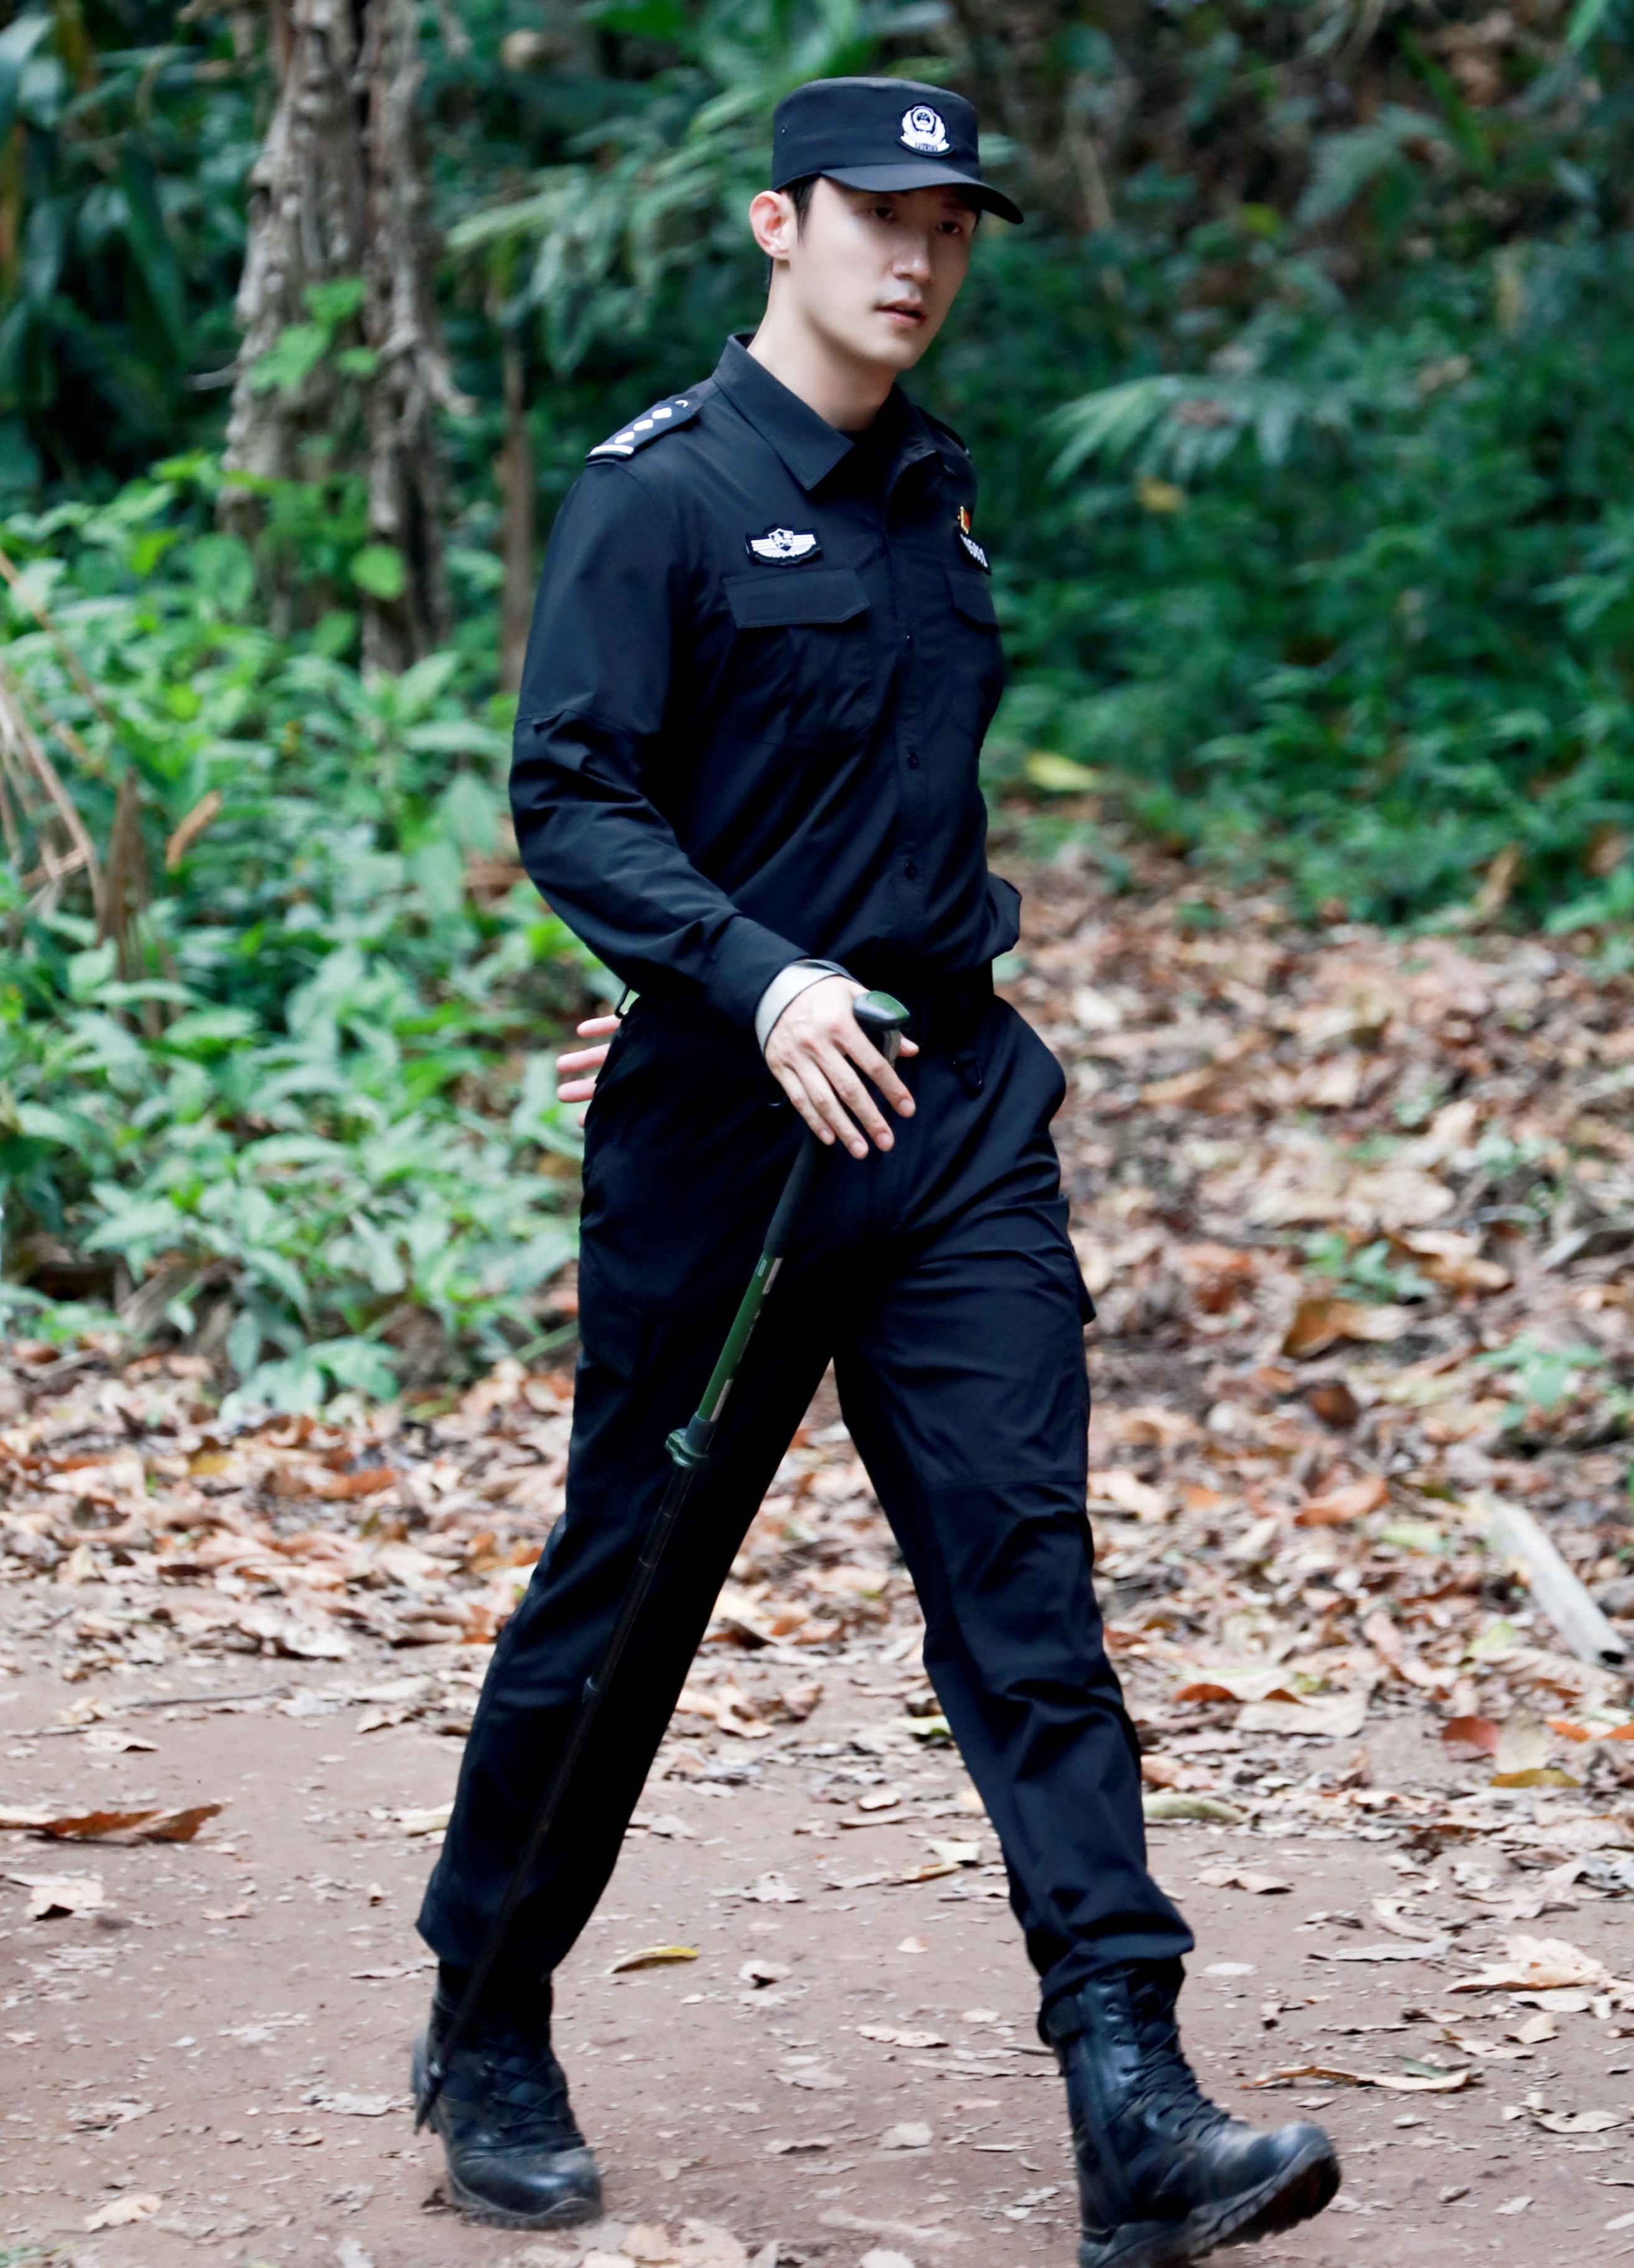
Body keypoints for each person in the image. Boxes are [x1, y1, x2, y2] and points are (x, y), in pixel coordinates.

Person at [413, 76, 1340, 2266]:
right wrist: (731, 987)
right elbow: (572, 794)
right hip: (731, 1145)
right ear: (776, 224)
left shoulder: (938, 493)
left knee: (1027, 1591)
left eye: (949, 225)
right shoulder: (655, 496)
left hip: (950, 1116)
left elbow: (865, 817)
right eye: (874, 215)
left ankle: (1131, 2094)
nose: (916, 257)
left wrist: (814, 970)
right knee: (627, 1588)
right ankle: (488, 2019)